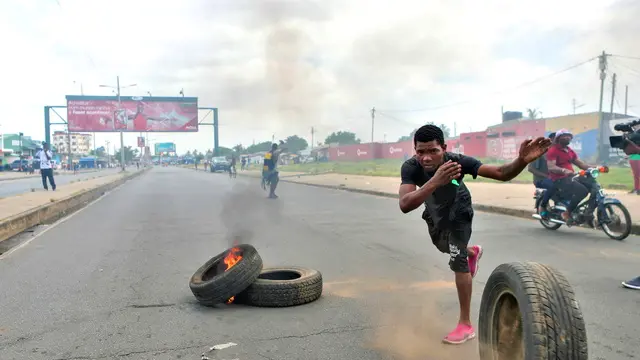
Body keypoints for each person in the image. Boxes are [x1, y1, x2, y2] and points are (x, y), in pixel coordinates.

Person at [398, 124, 551, 344]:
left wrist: (521, 161)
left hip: (459, 211)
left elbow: (500, 173)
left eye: (433, 151)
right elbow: (404, 204)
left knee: (456, 261)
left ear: (444, 147)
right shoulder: (411, 167)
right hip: (435, 213)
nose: (427, 157)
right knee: (444, 247)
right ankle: (472, 252)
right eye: (421, 152)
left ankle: (465, 324)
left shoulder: (458, 161)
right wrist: (435, 181)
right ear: (415, 150)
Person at [545, 129, 595, 224]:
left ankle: (588, 213)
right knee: (582, 191)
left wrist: (596, 168)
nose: (567, 137)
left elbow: (581, 164)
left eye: (569, 136)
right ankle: (567, 213)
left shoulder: (569, 151)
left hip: (571, 176)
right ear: (558, 138)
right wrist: (563, 170)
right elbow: (551, 167)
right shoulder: (553, 150)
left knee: (593, 186)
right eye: (564, 136)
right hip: (559, 179)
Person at [528, 132, 557, 217]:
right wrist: (546, 176)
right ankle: (542, 206)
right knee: (553, 186)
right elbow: (530, 168)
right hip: (540, 180)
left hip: (553, 179)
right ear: (550, 140)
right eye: (556, 139)